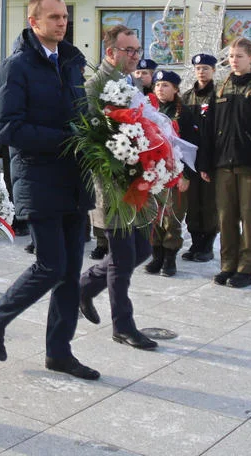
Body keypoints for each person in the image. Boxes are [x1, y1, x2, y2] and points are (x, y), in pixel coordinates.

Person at [0, 0, 101, 378]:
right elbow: (8, 127)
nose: (61, 23)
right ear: (34, 22)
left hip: (72, 178)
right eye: (53, 17)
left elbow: (80, 113)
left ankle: (59, 351)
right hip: (39, 177)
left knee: (70, 270)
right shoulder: (16, 67)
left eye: (64, 16)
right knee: (51, 265)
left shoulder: (70, 62)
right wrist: (67, 139)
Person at [78, 24, 158, 351]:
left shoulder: (128, 81)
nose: (135, 56)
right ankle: (123, 325)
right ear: (111, 52)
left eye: (138, 50)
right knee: (123, 257)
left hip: (133, 179)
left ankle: (83, 287)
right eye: (129, 50)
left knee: (143, 250)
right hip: (112, 184)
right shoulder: (95, 86)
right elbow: (90, 135)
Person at [197, 37, 251, 289]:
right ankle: (228, 265)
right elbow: (208, 129)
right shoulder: (220, 88)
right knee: (226, 217)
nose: (234, 61)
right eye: (231, 56)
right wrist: (205, 163)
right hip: (223, 165)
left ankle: (248, 267)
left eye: (239, 56)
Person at [142, 70, 194, 278]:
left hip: (175, 171)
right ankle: (156, 255)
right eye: (157, 85)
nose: (160, 89)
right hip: (153, 172)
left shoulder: (185, 113)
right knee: (154, 215)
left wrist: (186, 175)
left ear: (175, 89)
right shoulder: (148, 110)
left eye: (165, 85)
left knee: (171, 216)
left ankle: (170, 257)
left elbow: (191, 146)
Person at [180, 53, 218, 262]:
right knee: (193, 203)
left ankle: (207, 245)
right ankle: (195, 243)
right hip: (190, 158)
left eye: (206, 68)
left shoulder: (219, 96)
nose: (201, 72)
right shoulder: (186, 97)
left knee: (209, 203)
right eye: (198, 68)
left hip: (211, 157)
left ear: (213, 70)